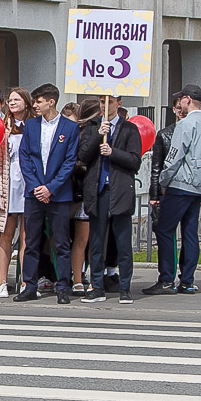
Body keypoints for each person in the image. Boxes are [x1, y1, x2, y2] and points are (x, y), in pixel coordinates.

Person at [145, 83, 201, 295]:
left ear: (187, 99)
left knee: (164, 229)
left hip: (180, 185)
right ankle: (187, 280)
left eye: (181, 100)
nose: (180, 104)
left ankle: (166, 279)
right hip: (200, 185)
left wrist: (163, 182)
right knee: (189, 232)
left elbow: (174, 157)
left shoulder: (185, 125)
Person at [15, 83, 80, 304]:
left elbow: (69, 161)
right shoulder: (31, 126)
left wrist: (51, 187)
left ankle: (63, 285)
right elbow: (25, 157)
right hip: (34, 194)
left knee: (61, 242)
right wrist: (36, 186)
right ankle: (29, 285)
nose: (35, 105)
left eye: (39, 101)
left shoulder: (69, 128)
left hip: (58, 195)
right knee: (31, 240)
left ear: (51, 101)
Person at [79, 94, 142, 304]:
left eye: (110, 101)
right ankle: (96, 286)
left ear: (119, 103)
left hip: (120, 190)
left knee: (123, 242)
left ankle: (125, 288)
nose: (105, 106)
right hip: (98, 190)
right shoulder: (93, 126)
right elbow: (83, 155)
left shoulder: (129, 129)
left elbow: (135, 160)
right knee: (96, 242)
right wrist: (98, 135)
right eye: (102, 102)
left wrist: (112, 152)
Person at [0, 87, 33, 297]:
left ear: (26, 102)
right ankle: (2, 282)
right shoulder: (2, 127)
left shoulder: (35, 126)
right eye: (10, 100)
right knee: (5, 235)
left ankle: (25, 282)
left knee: (27, 237)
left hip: (29, 185)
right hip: (8, 187)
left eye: (16, 99)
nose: (12, 103)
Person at [68, 99, 100, 293]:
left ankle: (95, 277)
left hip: (99, 190)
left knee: (96, 240)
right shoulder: (80, 133)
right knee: (81, 238)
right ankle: (77, 278)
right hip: (79, 191)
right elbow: (81, 157)